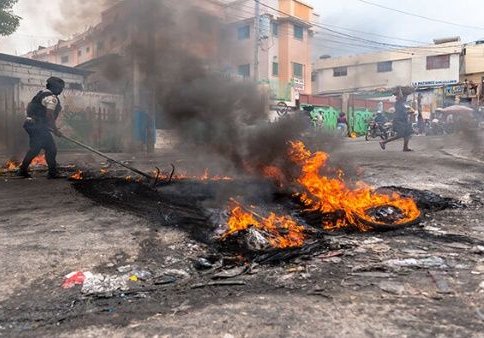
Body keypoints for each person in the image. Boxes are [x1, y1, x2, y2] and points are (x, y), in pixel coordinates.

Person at [17, 77, 65, 178]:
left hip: (31, 125)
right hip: (37, 127)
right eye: (60, 88)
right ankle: (52, 173)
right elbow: (49, 115)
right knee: (51, 149)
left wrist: (43, 124)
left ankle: (22, 170)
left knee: (35, 149)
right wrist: (55, 130)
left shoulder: (40, 94)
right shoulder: (51, 98)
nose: (61, 91)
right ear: (55, 87)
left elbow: (33, 110)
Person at [379, 87, 414, 152]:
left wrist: (409, 112)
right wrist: (400, 88)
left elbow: (405, 112)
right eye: (404, 96)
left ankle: (405, 147)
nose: (405, 97)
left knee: (408, 133)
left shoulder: (404, 104)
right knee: (400, 134)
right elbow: (402, 111)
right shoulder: (398, 103)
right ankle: (383, 142)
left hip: (404, 121)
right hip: (399, 121)